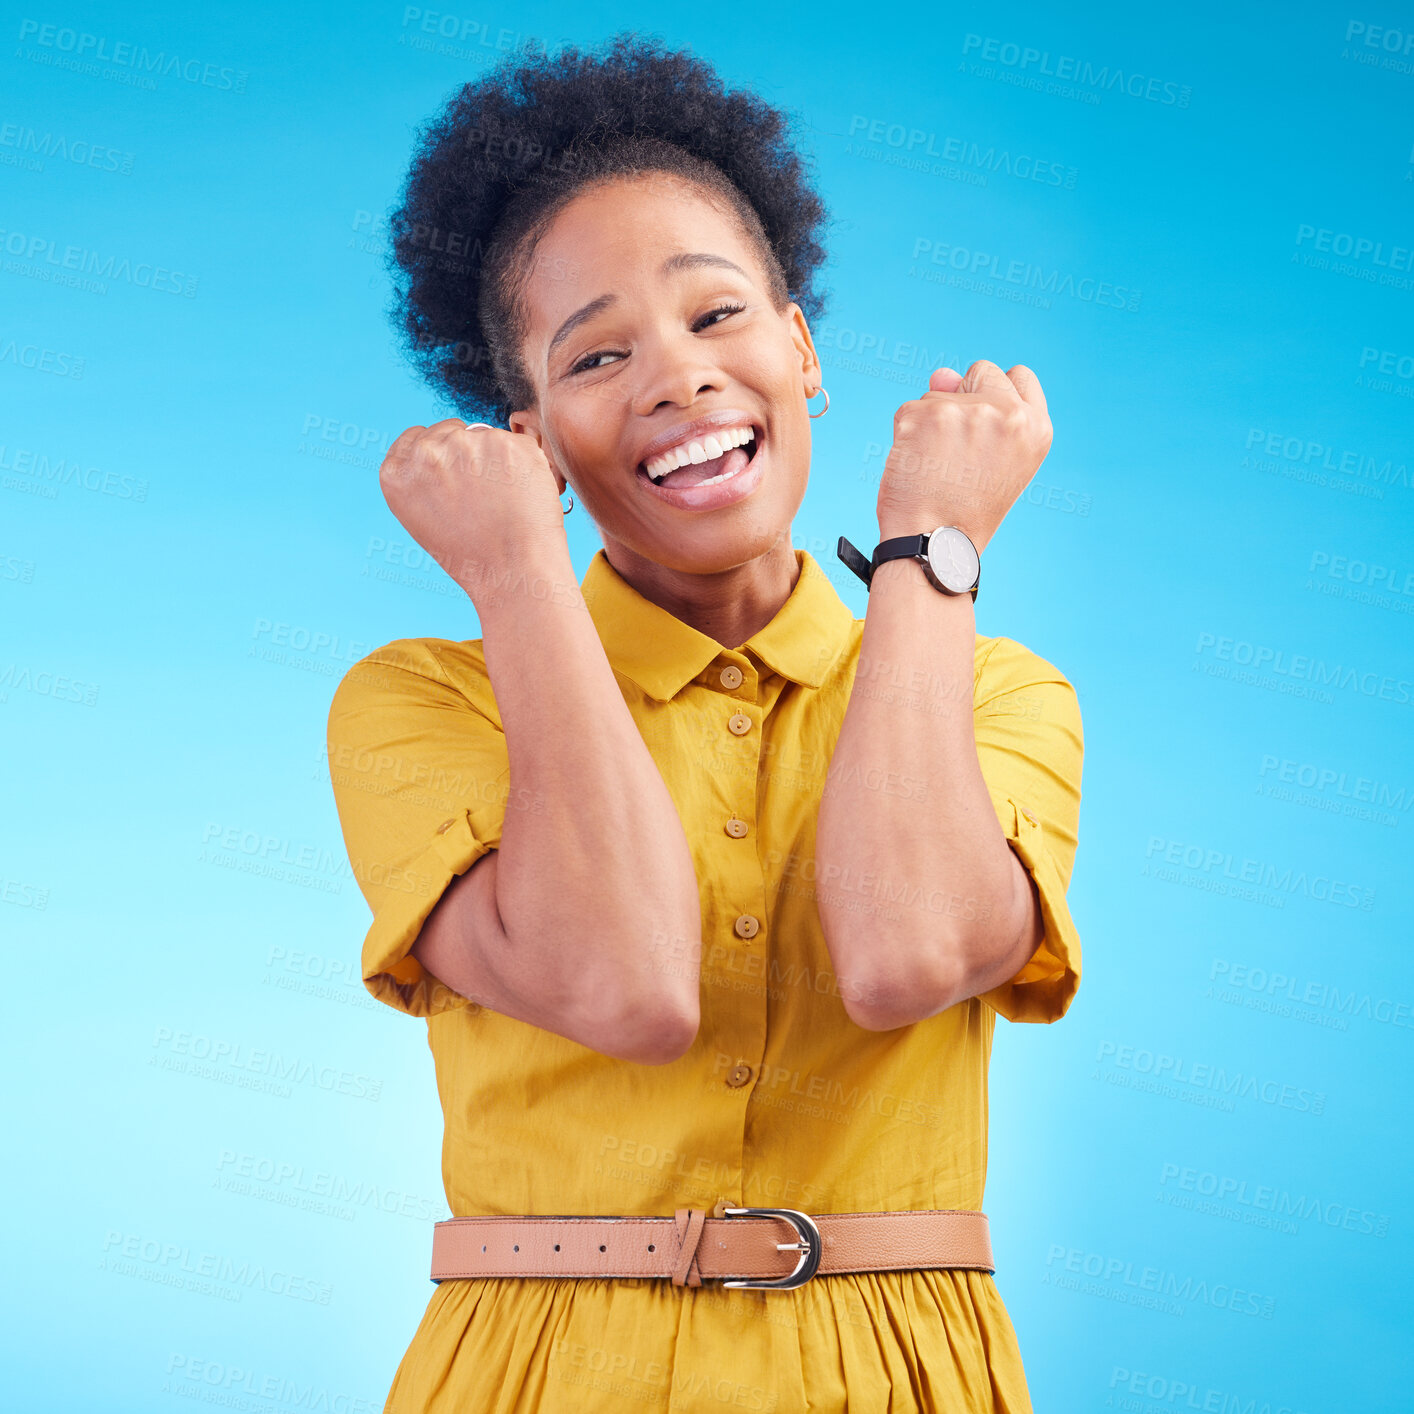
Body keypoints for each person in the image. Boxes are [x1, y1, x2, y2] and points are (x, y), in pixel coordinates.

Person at [326, 31, 1084, 1414]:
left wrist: (929, 550)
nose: (676, 375)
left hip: (896, 1370)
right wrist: (511, 569)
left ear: (800, 348)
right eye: (596, 354)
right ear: (531, 438)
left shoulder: (993, 689)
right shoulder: (426, 701)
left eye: (717, 315)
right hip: (545, 1370)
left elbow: (905, 955)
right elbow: (625, 986)